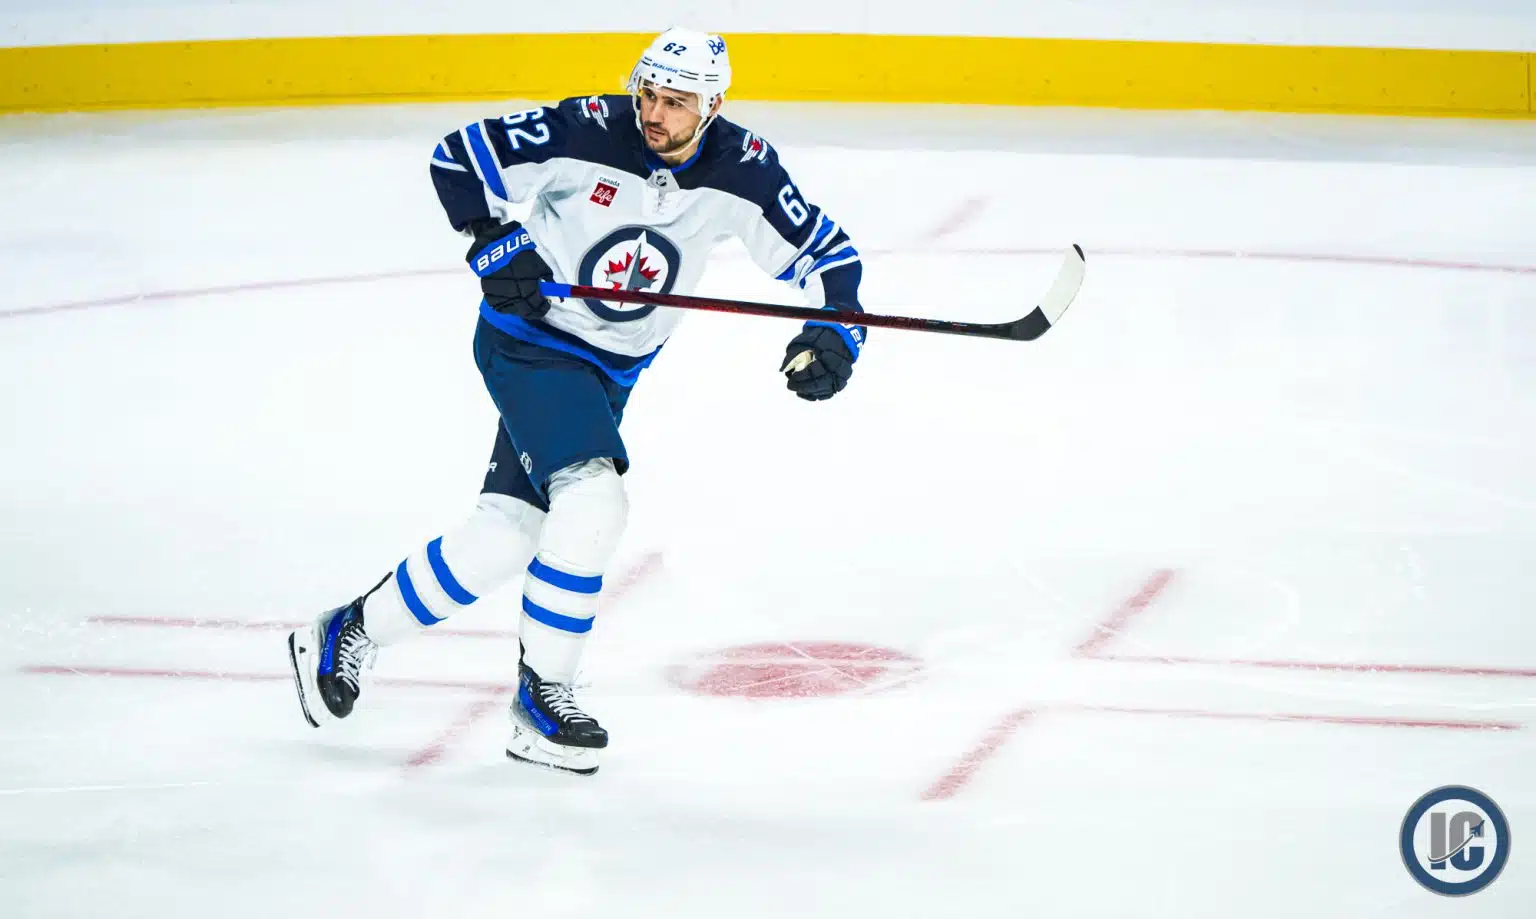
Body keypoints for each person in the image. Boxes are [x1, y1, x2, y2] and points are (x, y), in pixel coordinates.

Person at [287, 27, 866, 775]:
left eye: (676, 102)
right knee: (593, 502)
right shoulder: (585, 127)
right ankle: (543, 698)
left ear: (713, 107)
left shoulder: (743, 170)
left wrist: (837, 331)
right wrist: (493, 242)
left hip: (612, 374)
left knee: (506, 534)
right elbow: (459, 157)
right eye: (648, 94)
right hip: (530, 344)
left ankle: (346, 632)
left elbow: (830, 255)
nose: (654, 113)